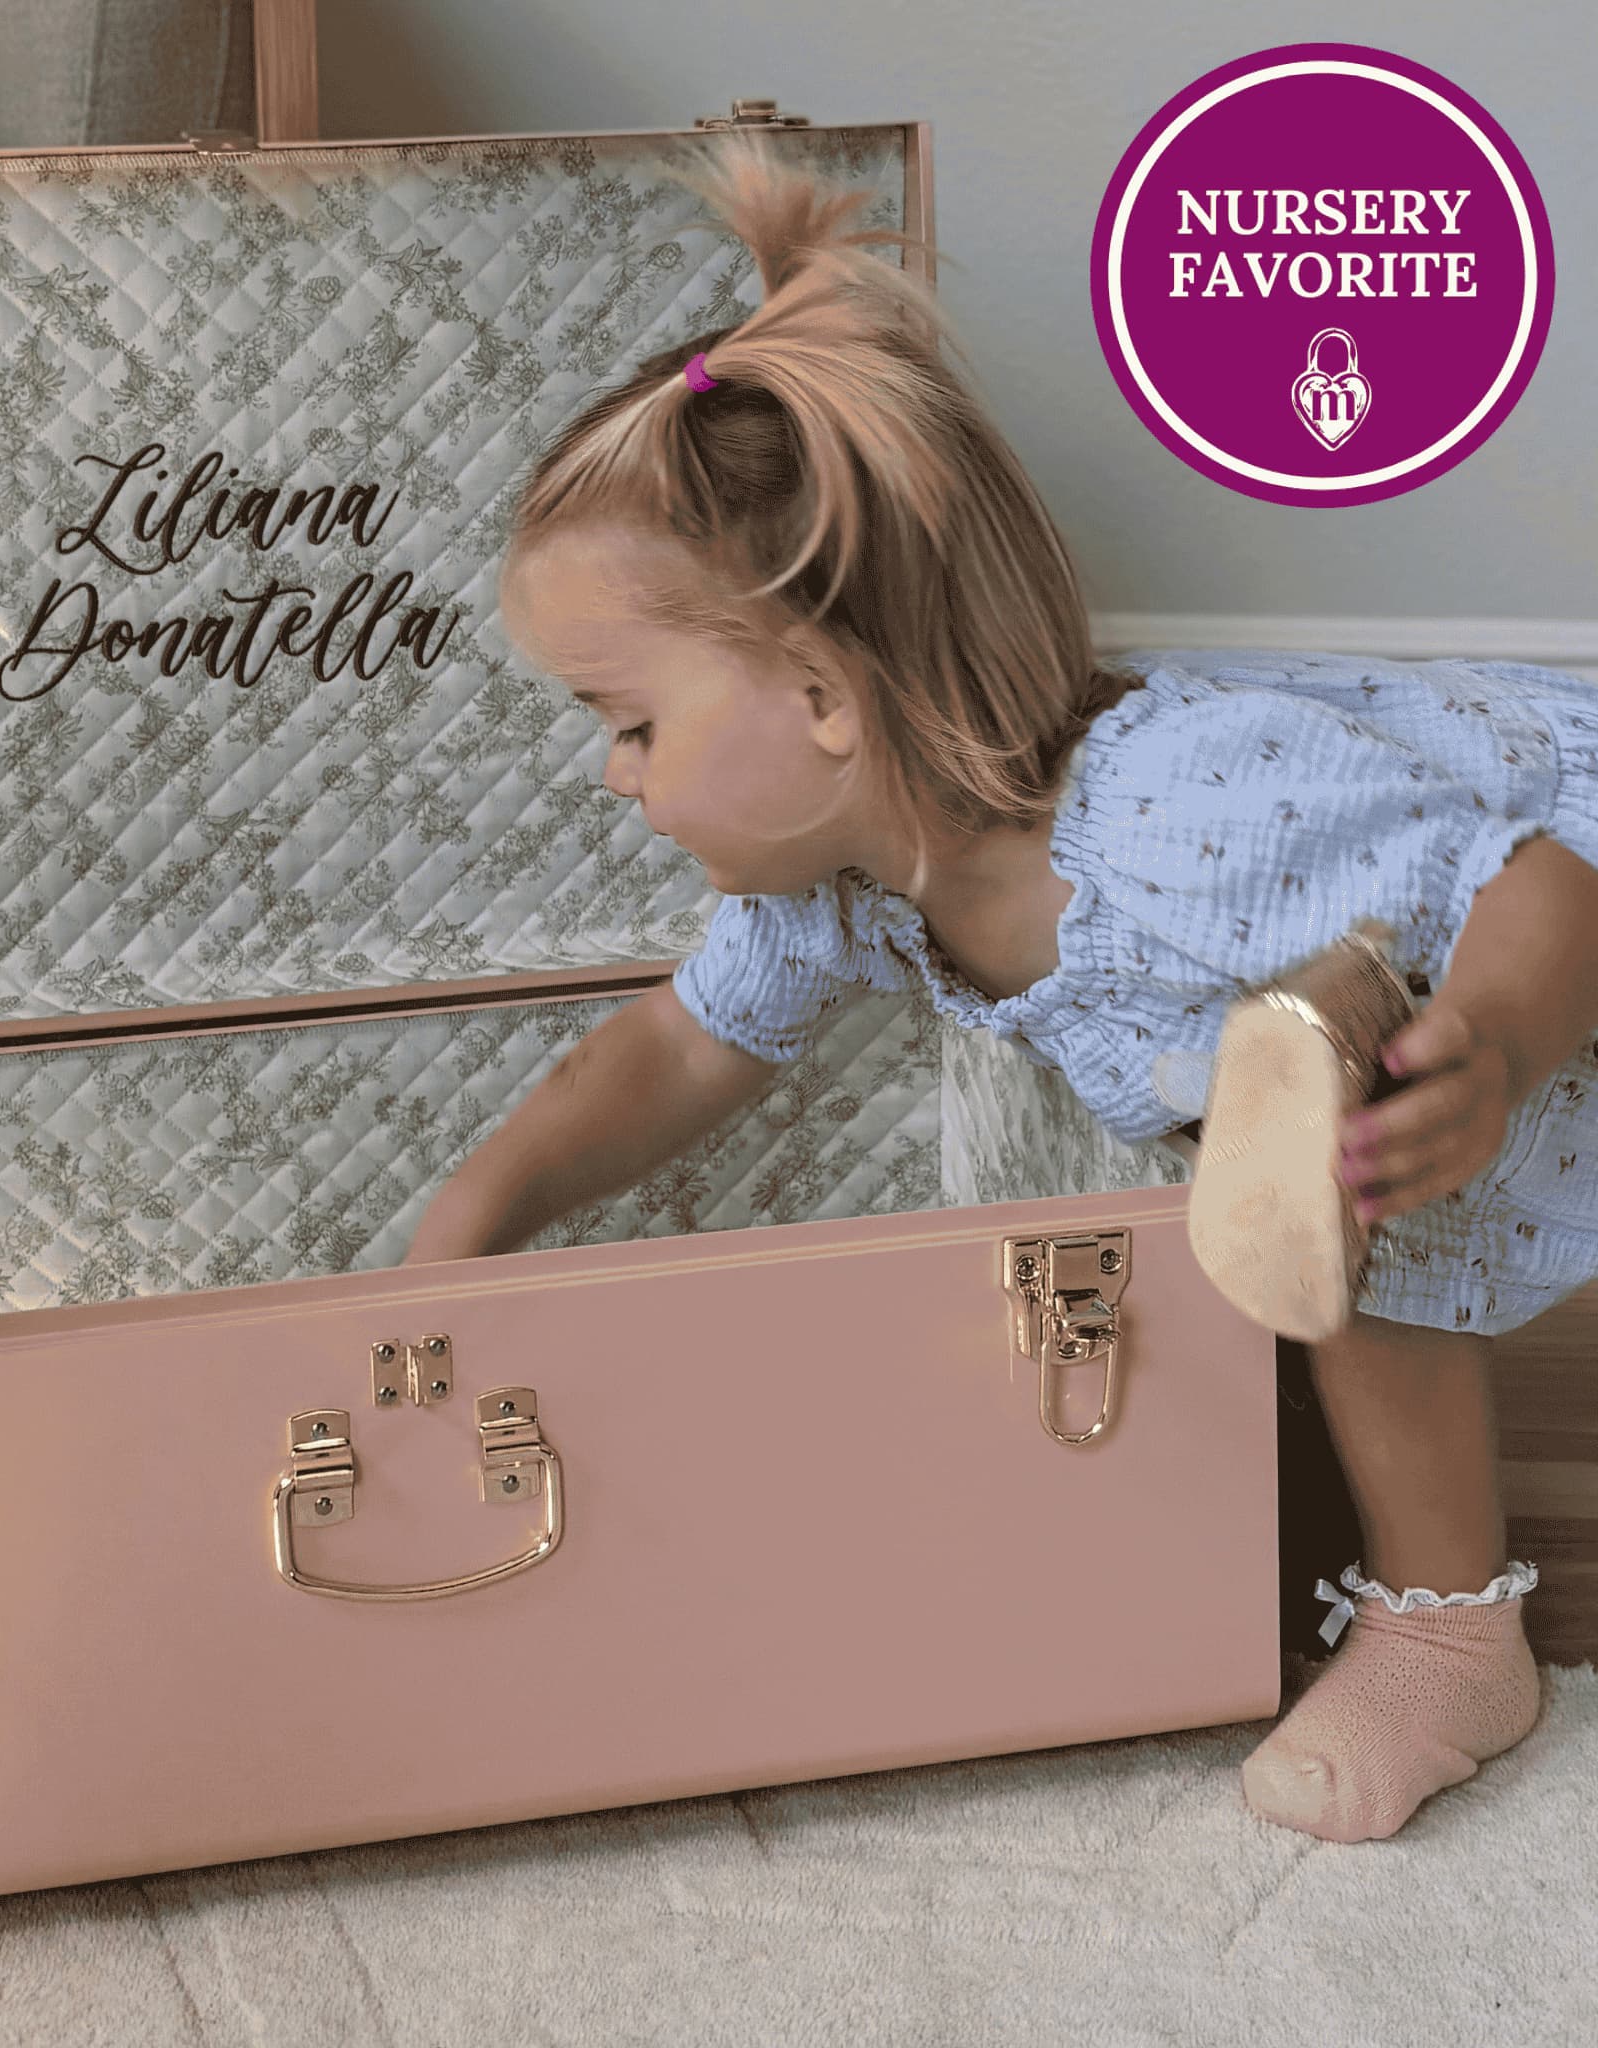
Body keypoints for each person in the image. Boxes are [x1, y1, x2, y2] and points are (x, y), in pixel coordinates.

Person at [401, 130, 1598, 1843]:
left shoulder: (1183, 814)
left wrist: (1486, 1043)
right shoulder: (854, 900)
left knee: (1383, 1251)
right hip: (1402, 952)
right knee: (1330, 1184)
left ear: (822, 697)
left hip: (1549, 910)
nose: (612, 776)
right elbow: (677, 1044)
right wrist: (474, 1217)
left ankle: (1449, 1633)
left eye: (631, 724)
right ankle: (1337, 1077)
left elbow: (1539, 875)